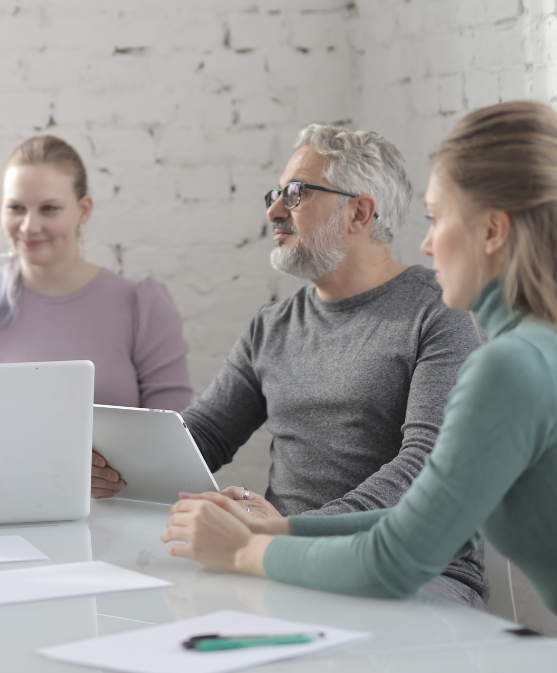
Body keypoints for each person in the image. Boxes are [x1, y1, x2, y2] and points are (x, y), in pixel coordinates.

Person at [161, 102, 557, 614]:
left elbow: (397, 557)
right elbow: (422, 518)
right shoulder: (532, 351)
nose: (426, 243)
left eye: (436, 219)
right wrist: (275, 528)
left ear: (492, 231)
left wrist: (244, 548)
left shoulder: (506, 365)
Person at [93, 124, 487, 606]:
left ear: (359, 212)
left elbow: (423, 467)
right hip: (278, 556)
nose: (274, 210)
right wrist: (113, 466)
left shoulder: (438, 313)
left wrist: (282, 531)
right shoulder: (273, 325)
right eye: (276, 194)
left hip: (416, 567)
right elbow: (205, 433)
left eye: (296, 194)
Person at [0, 135, 192, 410]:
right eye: (16, 208)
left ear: (83, 210)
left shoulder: (142, 307)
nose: (30, 226)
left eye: (49, 209)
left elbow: (170, 434)